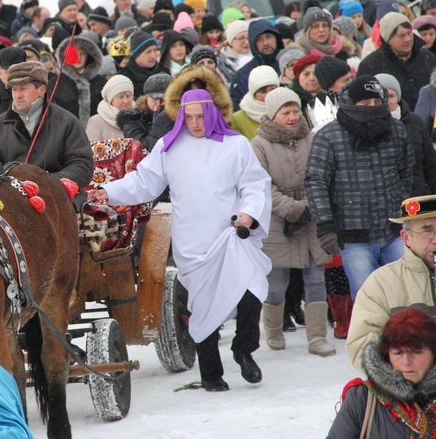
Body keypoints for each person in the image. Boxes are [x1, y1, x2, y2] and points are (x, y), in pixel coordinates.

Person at [95, 88, 272, 392]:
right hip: (194, 242)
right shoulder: (169, 147)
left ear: (213, 113)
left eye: (200, 117)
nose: (194, 123)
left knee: (252, 290)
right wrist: (109, 192)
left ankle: (244, 349)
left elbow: (255, 185)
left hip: (231, 236)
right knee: (204, 308)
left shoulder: (236, 145)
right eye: (188, 117)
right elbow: (143, 182)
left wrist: (248, 213)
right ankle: (211, 374)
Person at [305, 75, 414, 301]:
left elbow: (407, 172)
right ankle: (369, 337)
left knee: (405, 296)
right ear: (350, 103)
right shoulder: (328, 136)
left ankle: (402, 337)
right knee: (368, 300)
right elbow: (316, 182)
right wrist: (326, 225)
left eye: (376, 102)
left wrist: (404, 208)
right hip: (354, 236)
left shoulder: (397, 131)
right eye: (364, 103)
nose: (372, 108)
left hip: (395, 231)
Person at [251, 88, 335, 356]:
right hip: (278, 223)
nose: (291, 117)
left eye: (295, 111)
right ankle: (273, 329)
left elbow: (322, 175)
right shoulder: (259, 144)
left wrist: (312, 205)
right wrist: (293, 209)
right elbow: (262, 186)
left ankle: (317, 337)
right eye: (285, 112)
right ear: (272, 115)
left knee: (315, 279)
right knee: (277, 283)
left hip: (311, 220)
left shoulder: (311, 138)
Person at [0, 61, 93, 205]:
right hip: (11, 201)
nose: (18, 95)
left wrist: (46, 182)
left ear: (41, 90)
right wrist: (14, 185)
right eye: (14, 90)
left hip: (58, 199)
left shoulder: (67, 121)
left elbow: (82, 166)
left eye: (24, 89)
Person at [345, 194, 436, 370]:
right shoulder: (381, 283)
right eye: (427, 230)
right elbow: (361, 348)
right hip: (409, 391)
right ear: (406, 237)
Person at [329, 308, 436, 437]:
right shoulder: (363, 397)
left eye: (416, 351)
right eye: (398, 352)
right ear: (387, 355)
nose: (406, 361)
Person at [358, 12, 436, 108]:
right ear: (388, 39)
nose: (407, 39)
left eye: (409, 33)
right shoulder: (370, 65)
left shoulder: (428, 58)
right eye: (401, 36)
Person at [376, 73, 436, 197]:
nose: (387, 101)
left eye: (391, 96)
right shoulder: (368, 126)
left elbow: (430, 165)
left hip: (416, 198)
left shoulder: (414, 121)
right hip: (384, 198)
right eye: (382, 96)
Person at [229, 19, 284, 110]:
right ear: (252, 43)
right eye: (259, 39)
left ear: (276, 37)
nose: (265, 43)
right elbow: (237, 108)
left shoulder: (288, 64)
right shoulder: (242, 75)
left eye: (268, 37)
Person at [55, 35, 106, 126]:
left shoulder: (101, 82)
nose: (78, 57)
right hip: (68, 135)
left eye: (82, 53)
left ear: (88, 56)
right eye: (73, 53)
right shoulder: (56, 84)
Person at [117, 73, 172, 150]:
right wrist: (159, 123)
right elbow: (143, 149)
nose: (159, 104)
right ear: (146, 98)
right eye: (154, 100)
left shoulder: (179, 116)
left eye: (164, 100)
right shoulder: (132, 120)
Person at [232, 65, 279, 140]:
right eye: (263, 92)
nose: (269, 95)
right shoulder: (237, 119)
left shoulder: (291, 110)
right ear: (254, 94)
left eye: (273, 89)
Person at [116, 32, 169, 97]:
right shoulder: (123, 78)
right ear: (136, 54)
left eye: (155, 50)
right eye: (148, 52)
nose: (153, 56)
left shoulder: (164, 73)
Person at [86, 75, 134, 141]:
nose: (125, 101)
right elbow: (90, 149)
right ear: (111, 99)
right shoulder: (96, 122)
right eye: (120, 97)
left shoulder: (140, 118)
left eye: (128, 96)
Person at [216, 20, 251, 87]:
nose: (246, 42)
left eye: (248, 38)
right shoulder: (221, 63)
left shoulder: (256, 56)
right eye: (241, 38)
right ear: (231, 41)